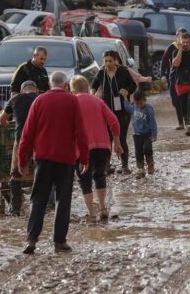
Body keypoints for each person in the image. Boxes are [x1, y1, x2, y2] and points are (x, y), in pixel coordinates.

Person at [18, 71, 89, 254]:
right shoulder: (73, 101)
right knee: (63, 200)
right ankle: (59, 241)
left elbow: (27, 133)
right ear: (66, 85)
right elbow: (81, 132)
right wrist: (84, 158)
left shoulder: (39, 101)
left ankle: (32, 239)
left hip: (43, 159)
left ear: (50, 85)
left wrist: (22, 158)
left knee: (38, 199)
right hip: (65, 159)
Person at [70, 75, 121, 221]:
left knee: (84, 179)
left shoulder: (72, 102)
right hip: (103, 146)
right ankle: (103, 208)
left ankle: (92, 213)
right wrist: (117, 142)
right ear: (87, 88)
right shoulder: (98, 101)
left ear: (72, 90)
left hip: (82, 148)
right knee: (100, 175)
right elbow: (114, 122)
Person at [0, 80, 40, 215]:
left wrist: (8, 122)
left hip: (21, 139)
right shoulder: (41, 98)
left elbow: (1, 120)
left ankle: (15, 207)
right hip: (40, 140)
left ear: (22, 91)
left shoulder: (15, 99)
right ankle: (46, 204)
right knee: (42, 171)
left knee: (15, 173)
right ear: (36, 90)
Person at [92, 50, 136, 173]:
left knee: (121, 138)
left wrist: (127, 90)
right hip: (106, 109)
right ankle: (107, 165)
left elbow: (133, 85)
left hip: (122, 109)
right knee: (107, 139)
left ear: (115, 60)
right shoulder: (101, 73)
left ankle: (124, 165)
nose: (108, 63)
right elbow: (93, 85)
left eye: (110, 61)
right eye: (105, 61)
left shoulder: (123, 71)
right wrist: (94, 94)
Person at [123, 90, 157, 179]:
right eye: (137, 103)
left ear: (145, 100)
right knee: (138, 152)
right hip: (136, 134)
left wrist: (154, 134)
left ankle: (150, 164)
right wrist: (125, 97)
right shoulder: (134, 107)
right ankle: (141, 169)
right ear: (134, 101)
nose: (139, 105)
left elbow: (153, 122)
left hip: (147, 134)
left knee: (147, 149)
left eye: (141, 103)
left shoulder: (149, 109)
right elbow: (127, 106)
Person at [161, 28, 187, 130]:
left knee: (186, 100)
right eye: (180, 37)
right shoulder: (172, 47)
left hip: (186, 78)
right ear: (177, 38)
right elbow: (164, 61)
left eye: (184, 36)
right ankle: (181, 123)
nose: (181, 39)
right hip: (174, 78)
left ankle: (187, 121)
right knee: (176, 101)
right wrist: (163, 74)